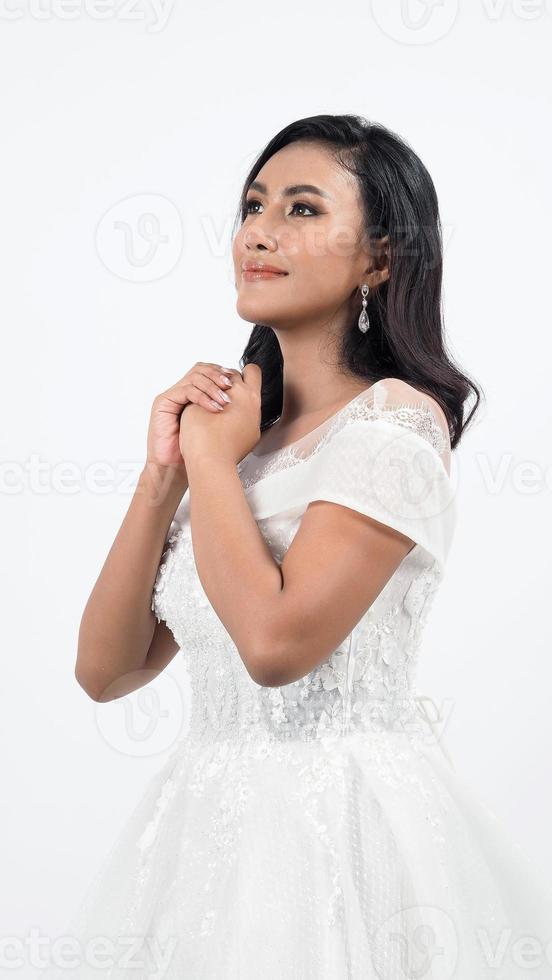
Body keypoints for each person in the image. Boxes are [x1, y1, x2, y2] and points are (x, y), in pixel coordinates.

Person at [42, 115, 552, 978]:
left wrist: (208, 455)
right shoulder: (237, 444)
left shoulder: (393, 421)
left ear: (380, 258)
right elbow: (105, 670)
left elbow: (276, 646)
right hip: (205, 834)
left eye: (304, 209)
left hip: (342, 831)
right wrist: (166, 473)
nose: (261, 231)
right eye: (253, 205)